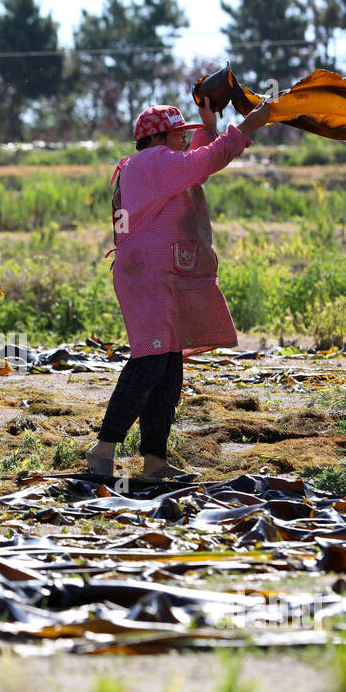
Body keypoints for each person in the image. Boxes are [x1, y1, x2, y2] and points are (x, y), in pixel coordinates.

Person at [86, 97, 271, 480]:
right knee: (150, 360)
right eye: (179, 134)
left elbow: (193, 166)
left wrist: (207, 125)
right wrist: (249, 125)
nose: (184, 142)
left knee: (168, 366)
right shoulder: (154, 162)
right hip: (148, 275)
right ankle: (103, 449)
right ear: (159, 137)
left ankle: (155, 462)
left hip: (152, 273)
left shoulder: (150, 164)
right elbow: (203, 162)